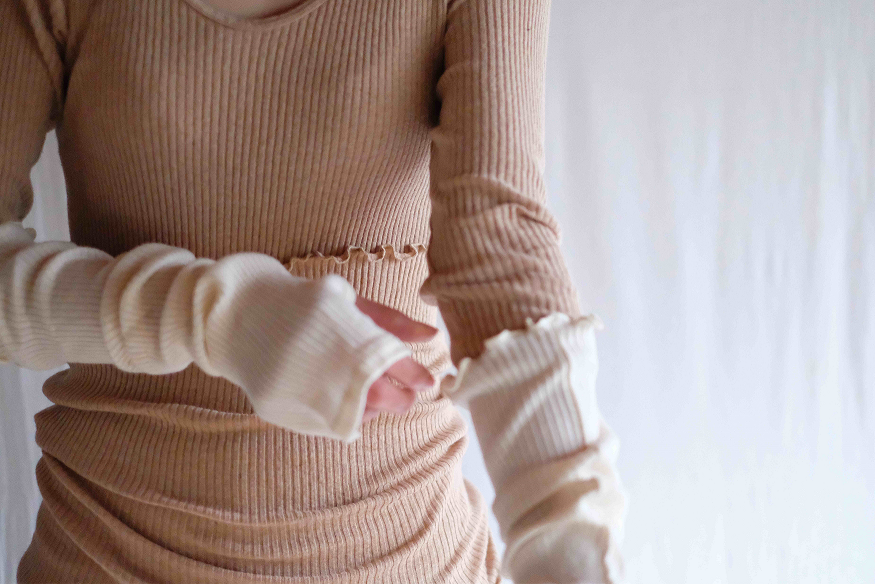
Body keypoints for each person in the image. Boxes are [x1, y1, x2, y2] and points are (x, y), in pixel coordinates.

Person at [0, 0, 627, 582]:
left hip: (410, 552)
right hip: (106, 551)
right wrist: (213, 316)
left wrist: (570, 540)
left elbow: (498, 241)